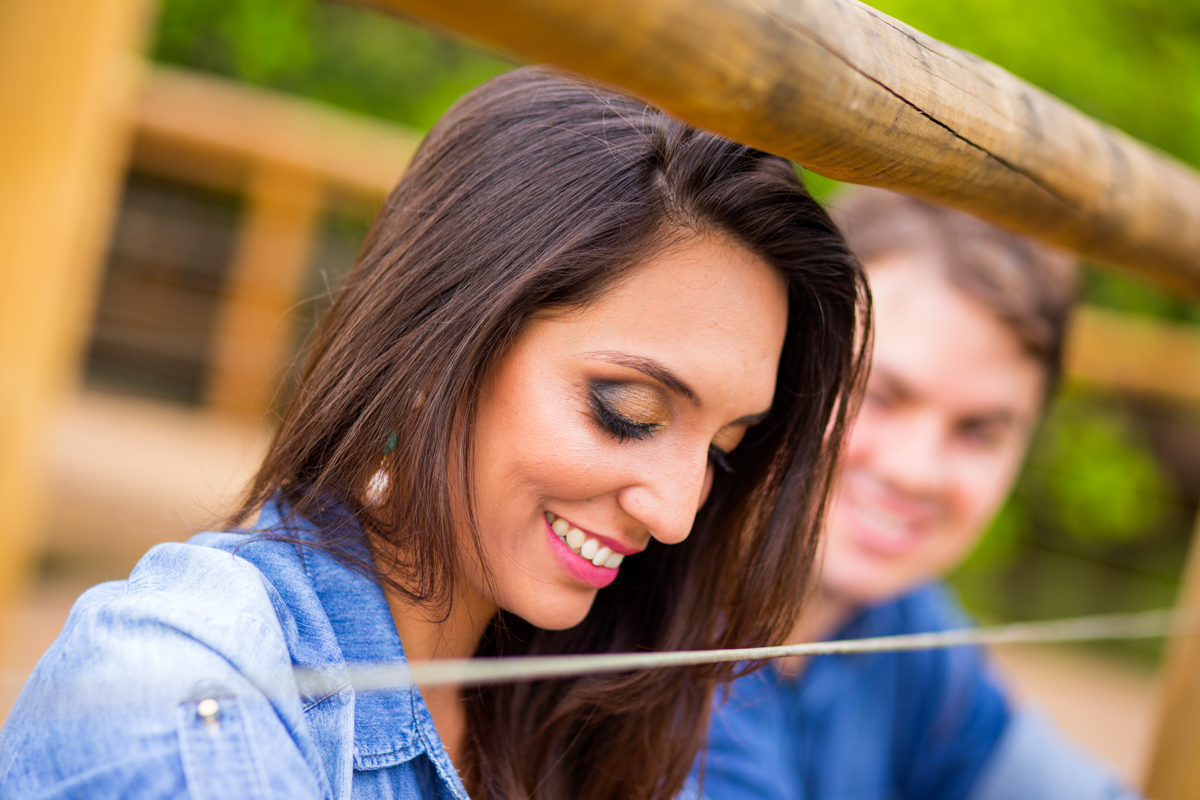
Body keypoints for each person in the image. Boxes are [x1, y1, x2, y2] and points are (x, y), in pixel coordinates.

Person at [0, 67, 870, 800]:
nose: (678, 513)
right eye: (627, 412)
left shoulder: (607, 709)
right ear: (435, 344)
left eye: (723, 449)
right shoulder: (187, 687)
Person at [692, 187, 1141, 800]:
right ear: (790, 363)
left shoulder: (907, 627)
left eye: (978, 432)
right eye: (878, 395)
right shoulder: (649, 635)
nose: (916, 472)